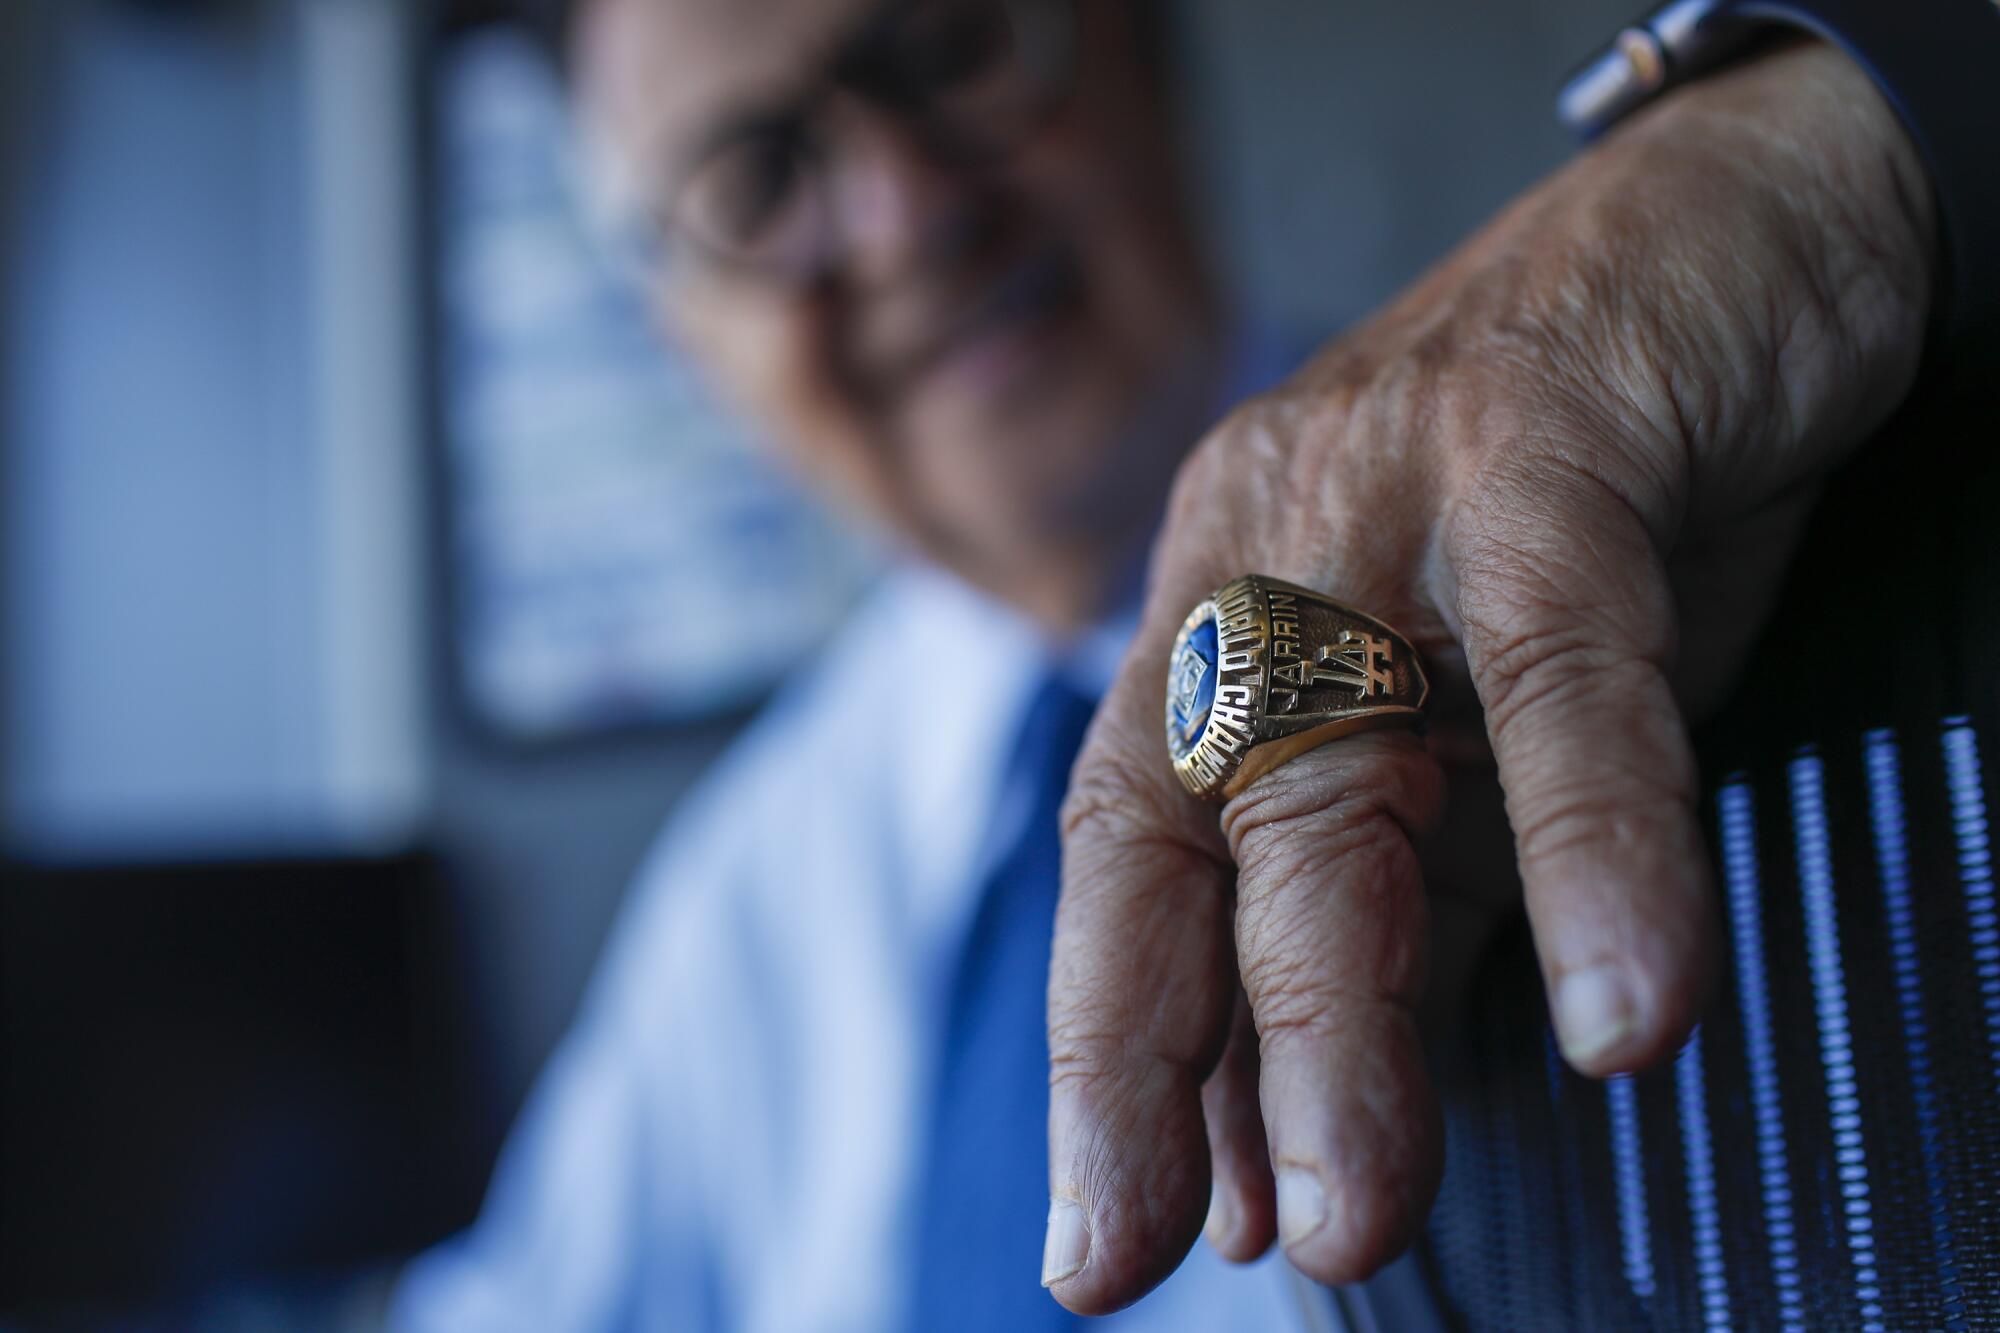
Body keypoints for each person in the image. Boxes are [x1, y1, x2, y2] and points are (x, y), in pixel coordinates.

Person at [391, 0, 2000, 1329]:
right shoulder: (744, 894)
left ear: (1135, 41)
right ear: (684, 338)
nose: (904, 211)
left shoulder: (1677, 497)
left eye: (947, 44)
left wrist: (1880, 92)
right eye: (753, 183)